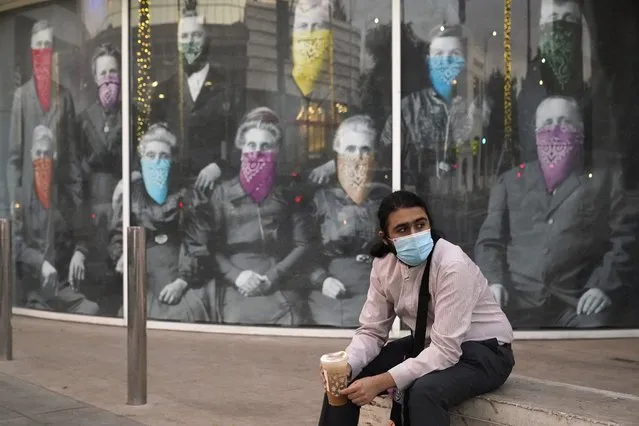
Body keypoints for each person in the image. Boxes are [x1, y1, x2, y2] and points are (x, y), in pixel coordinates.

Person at [318, 190, 514, 426]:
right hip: (428, 342)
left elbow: (446, 351)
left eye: (420, 225)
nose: (414, 235)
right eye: (402, 229)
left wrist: (382, 381)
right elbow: (372, 331)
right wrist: (347, 364)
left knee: (423, 391)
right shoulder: (383, 265)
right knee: (344, 380)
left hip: (485, 352)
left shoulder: (452, 265)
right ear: (385, 237)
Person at [475, 96, 633, 328]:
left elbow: (624, 238)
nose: (555, 130)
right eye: (547, 124)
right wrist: (494, 282)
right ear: (536, 132)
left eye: (565, 122)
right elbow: (489, 241)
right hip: (518, 300)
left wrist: (602, 286)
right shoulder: (510, 182)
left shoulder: (604, 181)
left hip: (577, 303)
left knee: (600, 337)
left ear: (580, 130)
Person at [184, 107, 312, 325]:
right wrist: (236, 275)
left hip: (277, 277)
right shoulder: (222, 193)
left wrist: (272, 276)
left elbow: (302, 243)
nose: (257, 152)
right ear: (241, 148)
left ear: (277, 150)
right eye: (251, 145)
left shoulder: (288, 194)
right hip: (233, 279)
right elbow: (207, 246)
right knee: (236, 321)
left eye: (265, 146)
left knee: (294, 321)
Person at [109, 123, 210, 322]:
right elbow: (118, 236)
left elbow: (197, 244)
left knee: (187, 313)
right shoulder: (131, 193)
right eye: (151, 155)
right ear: (142, 159)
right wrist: (122, 256)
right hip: (143, 270)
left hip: (179, 267)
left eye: (164, 156)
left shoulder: (187, 194)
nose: (157, 161)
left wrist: (181, 283)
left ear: (172, 159)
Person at [308, 115, 391, 327]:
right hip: (333, 293)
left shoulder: (385, 199)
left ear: (375, 155)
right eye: (350, 149)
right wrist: (322, 279)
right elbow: (305, 251)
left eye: (365, 149)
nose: (358, 156)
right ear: (338, 154)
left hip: (377, 289)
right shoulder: (322, 199)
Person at [149, 0, 236, 193]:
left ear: (206, 40)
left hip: (214, 189)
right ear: (178, 43)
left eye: (196, 36)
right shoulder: (164, 90)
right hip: (172, 188)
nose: (189, 42)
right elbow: (151, 140)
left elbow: (238, 140)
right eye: (184, 37)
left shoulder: (226, 87)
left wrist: (220, 166)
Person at [13, 125, 99, 315]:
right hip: (33, 288)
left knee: (91, 310)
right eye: (38, 153)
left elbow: (83, 232)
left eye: (47, 153)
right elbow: (14, 243)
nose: (42, 158)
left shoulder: (65, 197)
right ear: (31, 155)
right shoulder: (20, 196)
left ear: (55, 156)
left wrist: (80, 252)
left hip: (62, 288)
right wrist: (40, 263)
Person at [7, 20, 82, 217]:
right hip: (29, 207)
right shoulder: (21, 98)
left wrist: (75, 202)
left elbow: (72, 158)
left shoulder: (64, 97)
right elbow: (14, 159)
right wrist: (16, 203)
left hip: (59, 204)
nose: (43, 50)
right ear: (31, 49)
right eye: (38, 44)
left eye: (47, 45)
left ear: (53, 51)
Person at [77, 43, 125, 315]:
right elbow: (77, 168)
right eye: (103, 72)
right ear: (95, 78)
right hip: (94, 204)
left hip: (120, 203)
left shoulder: (130, 114)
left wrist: (129, 177)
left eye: (113, 71)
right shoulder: (84, 119)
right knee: (97, 270)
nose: (108, 77)